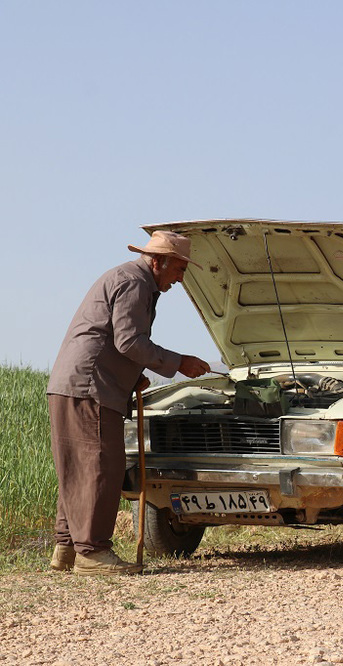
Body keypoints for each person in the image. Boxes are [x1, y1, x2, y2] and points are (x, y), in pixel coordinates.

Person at [46, 230, 212, 575]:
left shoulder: (127, 278)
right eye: (179, 269)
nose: (180, 279)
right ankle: (92, 553)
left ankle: (67, 550)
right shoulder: (135, 283)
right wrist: (178, 361)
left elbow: (113, 340)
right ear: (159, 261)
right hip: (92, 387)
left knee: (78, 468)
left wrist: (130, 375)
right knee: (101, 468)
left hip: (74, 384)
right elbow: (129, 341)